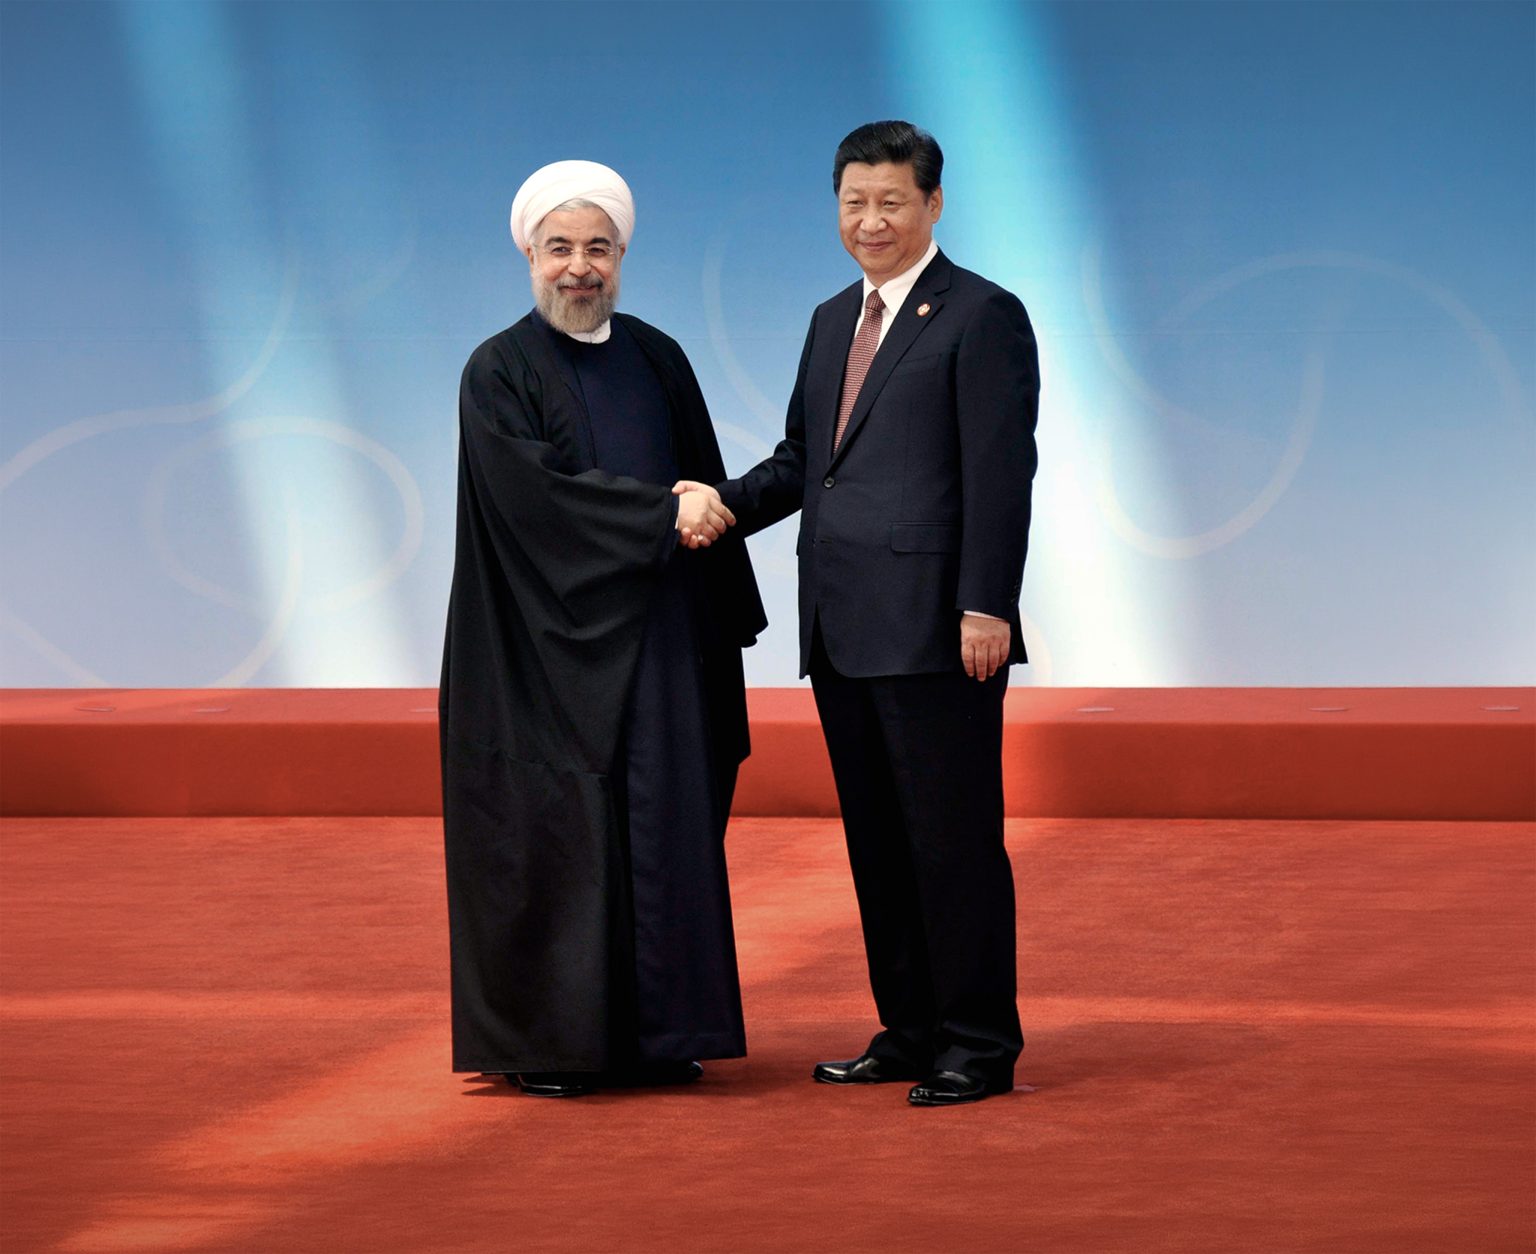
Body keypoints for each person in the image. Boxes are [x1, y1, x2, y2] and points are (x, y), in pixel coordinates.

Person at [685, 121, 1039, 1106]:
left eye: (890, 201)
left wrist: (987, 603)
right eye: (853, 201)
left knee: (952, 840)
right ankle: (911, 1028)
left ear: (932, 205)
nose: (870, 219)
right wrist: (719, 507)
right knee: (879, 842)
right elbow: (808, 462)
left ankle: (978, 1043)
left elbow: (1001, 475)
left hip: (938, 627)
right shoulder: (831, 317)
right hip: (841, 625)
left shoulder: (981, 316)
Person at [439, 160, 767, 1097]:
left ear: (621, 255)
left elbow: (702, 476)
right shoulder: (496, 369)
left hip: (658, 644)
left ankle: (666, 1033)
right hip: (537, 653)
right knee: (558, 840)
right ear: (528, 256)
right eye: (560, 248)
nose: (578, 268)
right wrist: (662, 515)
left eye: (597, 248)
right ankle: (552, 1046)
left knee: (668, 831)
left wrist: (705, 532)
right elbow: (530, 499)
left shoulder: (659, 356)